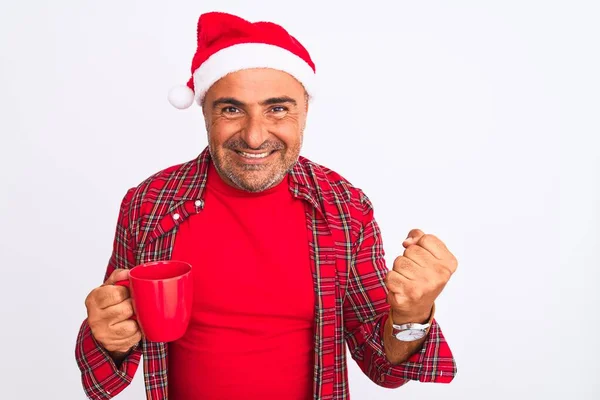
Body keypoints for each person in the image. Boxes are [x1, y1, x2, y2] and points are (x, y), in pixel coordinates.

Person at [75, 11, 458, 400]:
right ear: (205, 112)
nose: (255, 136)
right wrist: (107, 335)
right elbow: (108, 365)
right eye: (231, 109)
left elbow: (384, 364)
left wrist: (413, 316)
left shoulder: (344, 207)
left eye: (277, 109)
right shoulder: (149, 204)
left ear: (304, 111)